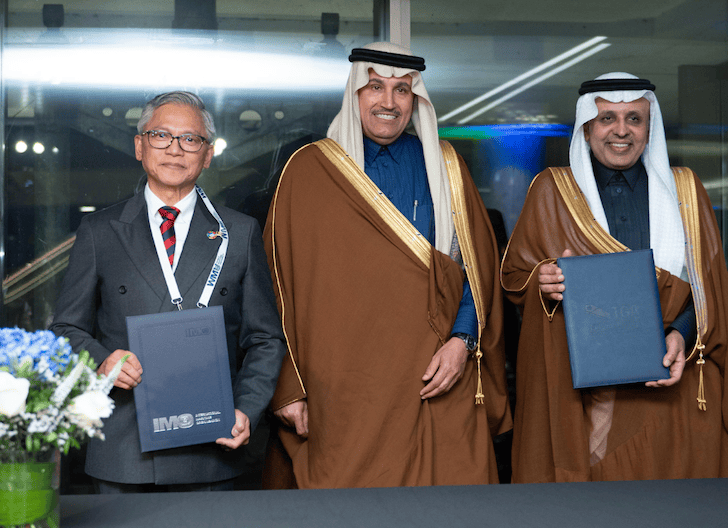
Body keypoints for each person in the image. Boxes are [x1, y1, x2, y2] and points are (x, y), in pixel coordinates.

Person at [501, 73, 728, 482]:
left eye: (634, 118)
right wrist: (544, 279)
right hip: (586, 399)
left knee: (676, 502)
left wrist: (681, 334)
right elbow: (515, 277)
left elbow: (708, 288)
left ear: (650, 127)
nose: (621, 130)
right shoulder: (552, 190)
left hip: (673, 382)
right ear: (587, 128)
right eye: (607, 118)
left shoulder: (685, 191)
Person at [264, 42, 511, 488]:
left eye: (402, 90)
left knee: (448, 507)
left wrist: (462, 341)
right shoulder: (309, 170)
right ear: (355, 92)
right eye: (376, 87)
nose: (389, 102)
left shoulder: (445, 166)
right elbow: (277, 287)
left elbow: (475, 268)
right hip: (343, 387)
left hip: (435, 376)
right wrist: (289, 386)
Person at [50, 91, 286, 492]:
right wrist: (103, 361)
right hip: (123, 451)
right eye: (161, 135)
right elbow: (65, 329)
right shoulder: (99, 231)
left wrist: (246, 408)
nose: (175, 149)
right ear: (139, 146)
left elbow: (265, 338)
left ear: (207, 154)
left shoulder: (239, 232)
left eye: (190, 139)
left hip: (213, 448)